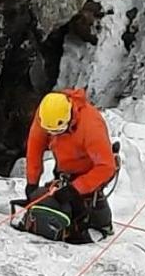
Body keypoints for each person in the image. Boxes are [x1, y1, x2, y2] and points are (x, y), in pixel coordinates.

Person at [18, 89, 118, 243]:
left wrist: (76, 188)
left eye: (58, 131)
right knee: (60, 198)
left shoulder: (91, 126)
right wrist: (32, 182)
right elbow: (35, 147)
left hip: (91, 168)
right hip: (65, 165)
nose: (53, 134)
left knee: (88, 201)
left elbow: (106, 167)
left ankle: (101, 223)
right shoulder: (46, 114)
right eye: (50, 132)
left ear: (70, 118)